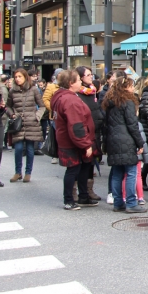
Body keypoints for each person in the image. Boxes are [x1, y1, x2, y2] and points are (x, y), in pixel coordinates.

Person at [51, 70, 97, 211]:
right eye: (78, 80)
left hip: (68, 139)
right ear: (71, 83)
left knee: (83, 167)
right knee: (73, 170)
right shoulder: (70, 99)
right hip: (72, 141)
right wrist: (85, 144)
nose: (80, 82)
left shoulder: (63, 96)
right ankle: (69, 200)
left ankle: (83, 196)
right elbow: (76, 125)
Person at [102, 75, 147, 214]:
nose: (133, 88)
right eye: (131, 85)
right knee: (131, 172)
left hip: (112, 140)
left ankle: (118, 202)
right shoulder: (128, 102)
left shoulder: (109, 102)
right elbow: (132, 124)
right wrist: (140, 143)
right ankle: (131, 203)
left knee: (117, 173)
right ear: (125, 87)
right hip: (126, 140)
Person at [5, 69, 45, 184]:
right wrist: (12, 114)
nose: (17, 79)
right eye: (16, 77)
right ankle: (18, 172)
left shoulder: (33, 90)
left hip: (31, 123)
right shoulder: (12, 91)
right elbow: (8, 106)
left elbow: (42, 105)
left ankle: (28, 173)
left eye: (19, 76)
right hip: (18, 123)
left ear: (25, 77)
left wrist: (37, 116)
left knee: (30, 149)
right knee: (18, 149)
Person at [75, 67, 104, 202]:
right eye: (88, 75)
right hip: (84, 132)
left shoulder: (92, 91)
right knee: (80, 163)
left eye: (91, 74)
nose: (91, 77)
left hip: (95, 131)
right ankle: (76, 191)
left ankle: (88, 190)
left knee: (91, 162)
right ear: (80, 78)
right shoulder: (77, 94)